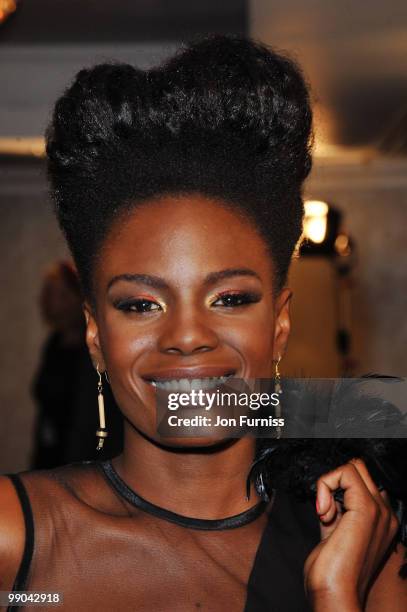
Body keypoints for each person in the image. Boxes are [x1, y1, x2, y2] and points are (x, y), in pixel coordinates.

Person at [0, 36, 406, 611]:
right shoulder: (15, 544)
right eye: (141, 304)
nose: (187, 336)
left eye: (230, 298)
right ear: (95, 335)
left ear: (280, 325)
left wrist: (334, 595)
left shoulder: (368, 557)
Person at [31, 260, 123, 468]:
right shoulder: (54, 343)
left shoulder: (96, 348)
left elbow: (93, 418)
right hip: (51, 457)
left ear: (80, 299)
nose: (53, 302)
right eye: (49, 294)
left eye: (62, 295)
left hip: (84, 463)